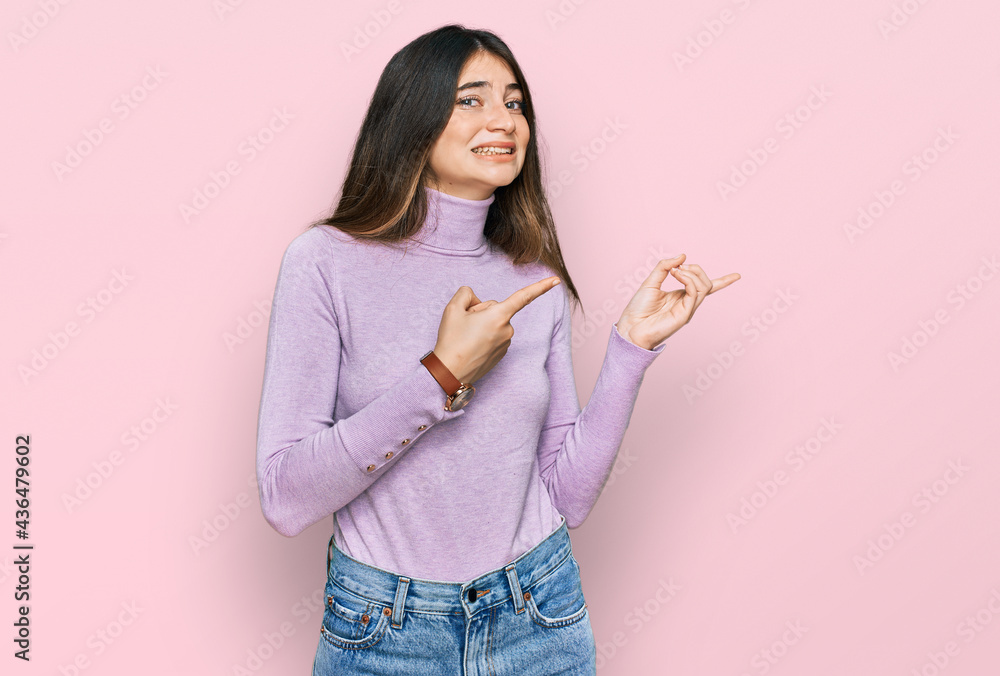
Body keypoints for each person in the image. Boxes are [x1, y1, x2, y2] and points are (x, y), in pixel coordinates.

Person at [255, 23, 740, 675]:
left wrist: (630, 351)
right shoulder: (324, 263)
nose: (504, 119)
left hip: (537, 614)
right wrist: (440, 376)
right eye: (471, 99)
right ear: (411, 120)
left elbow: (566, 497)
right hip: (384, 631)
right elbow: (285, 498)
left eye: (514, 102)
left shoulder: (531, 273)